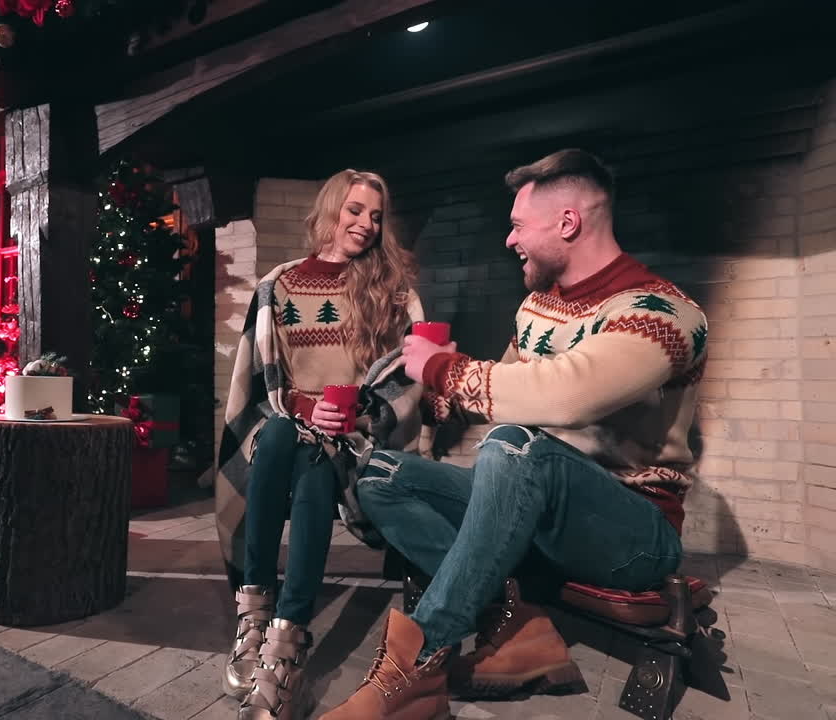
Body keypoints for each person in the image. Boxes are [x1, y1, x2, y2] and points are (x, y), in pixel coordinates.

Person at [321, 149, 709, 720]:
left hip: (631, 535)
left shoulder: (662, 314)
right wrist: (442, 395)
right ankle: (516, 626)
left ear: (568, 223)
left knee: (513, 444)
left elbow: (566, 395)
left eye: (518, 225)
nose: (509, 240)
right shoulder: (537, 307)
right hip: (539, 513)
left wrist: (441, 368)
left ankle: (419, 663)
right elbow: (508, 391)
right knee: (377, 474)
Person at [214, 169, 427, 720]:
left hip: (357, 435)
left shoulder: (391, 290)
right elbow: (259, 383)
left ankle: (266, 628)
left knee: (312, 451)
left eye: (376, 216)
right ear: (331, 210)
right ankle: (278, 634)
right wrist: (304, 408)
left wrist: (354, 410)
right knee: (290, 435)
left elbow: (408, 374)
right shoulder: (278, 286)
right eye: (355, 210)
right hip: (284, 424)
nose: (366, 224)